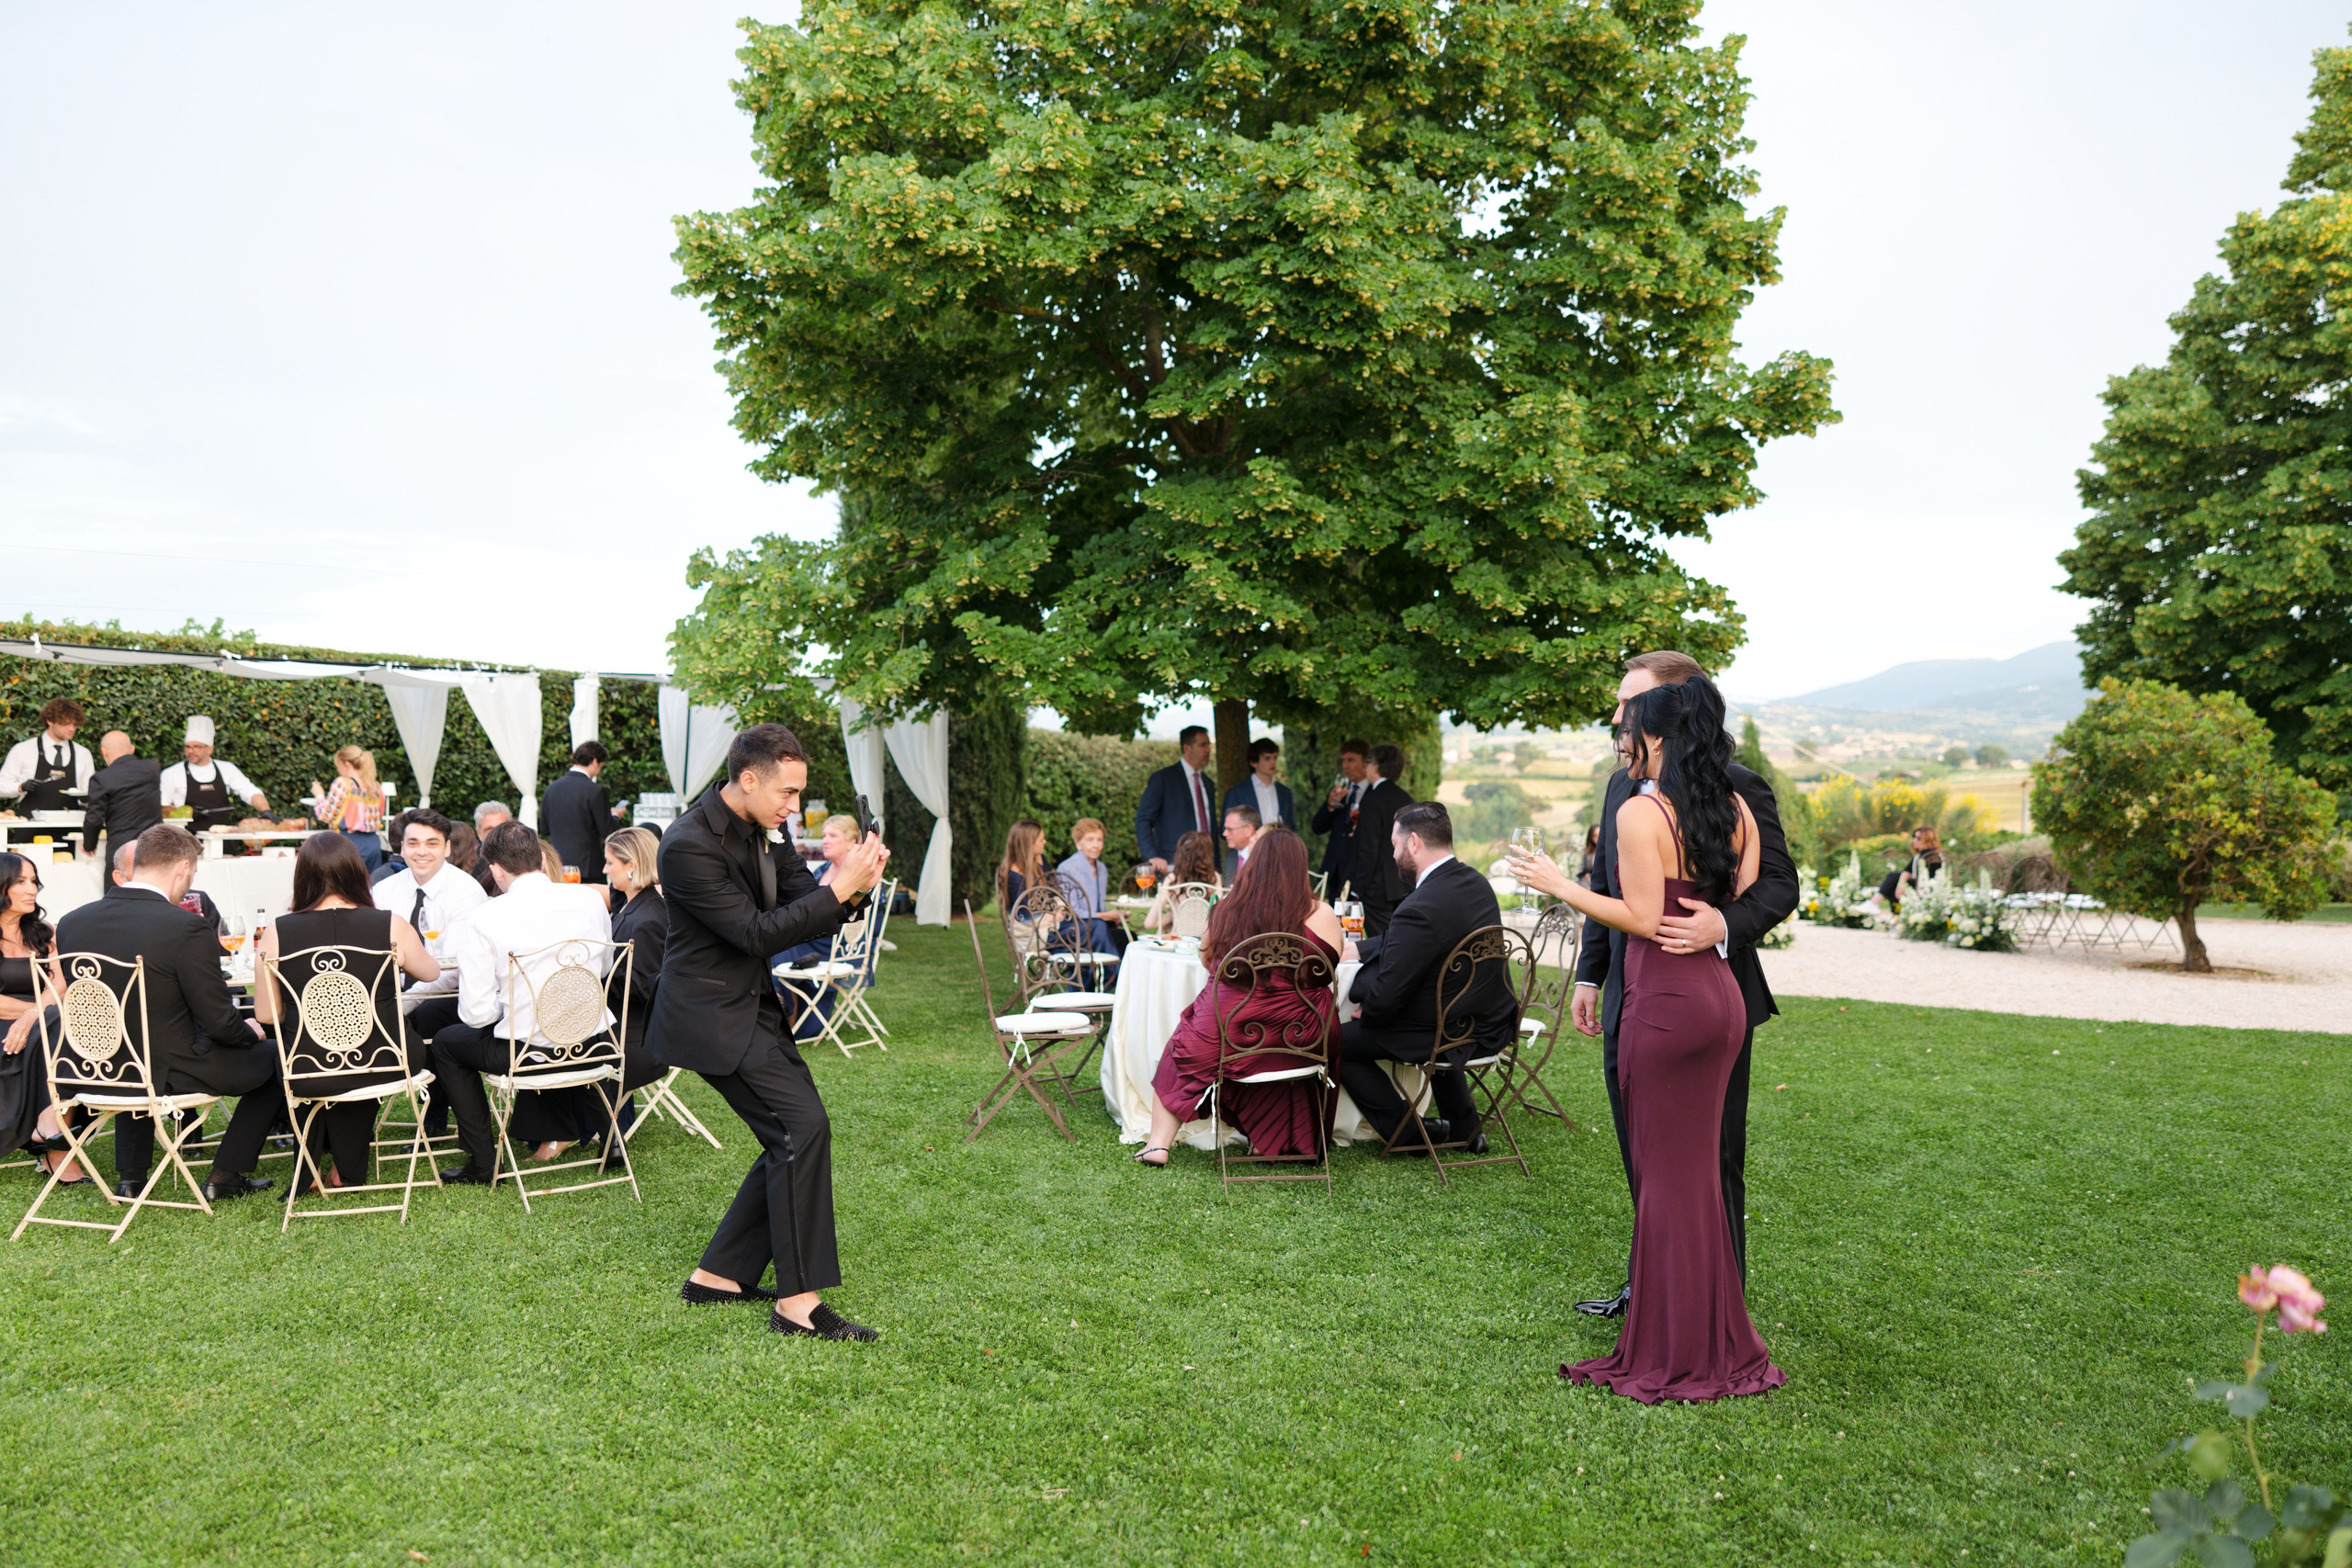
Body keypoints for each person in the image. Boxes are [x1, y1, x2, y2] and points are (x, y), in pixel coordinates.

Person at [1510, 674, 1785, 1403]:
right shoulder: (1733, 810)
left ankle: (1674, 1349)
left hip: (1665, 1001)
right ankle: (1721, 1337)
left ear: (1655, 733)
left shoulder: (1642, 812)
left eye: (1627, 722)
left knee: (1664, 1179)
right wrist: (1709, 917)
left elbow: (1639, 913)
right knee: (1697, 1177)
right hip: (1721, 1002)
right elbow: (1740, 888)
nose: (1620, 733)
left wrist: (1556, 883)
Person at [1560, 651, 1797, 1322]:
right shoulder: (1620, 786)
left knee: (1714, 1154)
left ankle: (1720, 1305)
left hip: (1707, 995)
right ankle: (1656, 1288)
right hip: (1629, 999)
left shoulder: (1738, 785)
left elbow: (1779, 883)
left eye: (1627, 704)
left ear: (1670, 708)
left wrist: (1721, 922)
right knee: (1646, 1146)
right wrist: (1589, 972)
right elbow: (1610, 886)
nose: (1615, 716)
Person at [649, 723, 889, 1339]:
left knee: (792, 1133)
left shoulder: (768, 829)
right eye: (787, 792)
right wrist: (840, 889)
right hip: (707, 1015)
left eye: (799, 794)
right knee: (799, 1128)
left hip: (753, 1005)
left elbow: (808, 902)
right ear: (748, 778)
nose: (794, 807)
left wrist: (857, 888)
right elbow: (756, 932)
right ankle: (797, 1302)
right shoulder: (684, 845)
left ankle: (719, 1276)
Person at [53, 824, 279, 1201]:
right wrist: (251, 1033)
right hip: (165, 1073)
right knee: (275, 1056)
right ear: (183, 869)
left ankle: (131, 1178)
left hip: (94, 1068)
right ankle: (225, 1174)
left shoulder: (73, 921)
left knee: (138, 1043)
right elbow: (220, 1023)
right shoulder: (186, 926)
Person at [1134, 827, 1343, 1168]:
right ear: (1299, 867)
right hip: (1303, 1032)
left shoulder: (1227, 910)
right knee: (1283, 1054)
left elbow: (1206, 960)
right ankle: (1274, 1141)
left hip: (1234, 1027)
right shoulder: (1322, 913)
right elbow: (1330, 965)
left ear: (1254, 864)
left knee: (1182, 1049)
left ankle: (1158, 1145)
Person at [424, 821, 614, 1182]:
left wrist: (510, 1005)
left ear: (495, 869)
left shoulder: (486, 916)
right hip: (593, 1043)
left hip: (531, 1053)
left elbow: (476, 1015)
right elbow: (602, 967)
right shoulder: (589, 898)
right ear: (541, 859)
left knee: (448, 1043)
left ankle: (482, 1161)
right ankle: (610, 1139)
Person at [253, 833, 438, 1192]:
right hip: (387, 1059)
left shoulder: (277, 932)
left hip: (307, 1066)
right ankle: (346, 1170)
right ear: (358, 872)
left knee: (307, 1048)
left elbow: (266, 1014)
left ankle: (311, 1170)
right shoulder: (390, 924)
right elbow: (430, 973)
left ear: (302, 876)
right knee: (369, 1043)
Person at [1336, 802, 1514, 1154]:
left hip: (1442, 1030)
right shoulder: (1474, 883)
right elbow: (1414, 938)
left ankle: (1408, 1133)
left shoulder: (1419, 906)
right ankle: (1465, 1127)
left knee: (1337, 1041)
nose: (1393, 853)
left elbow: (1389, 994)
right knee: (1430, 1009)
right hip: (1482, 1021)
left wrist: (1367, 1010)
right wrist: (1359, 950)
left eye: (1394, 845)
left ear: (1413, 843)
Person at [0, 851, 88, 1187]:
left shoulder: (43, 931)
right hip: (8, 1028)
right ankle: (54, 1144)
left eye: (33, 881)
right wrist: (33, 1014)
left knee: (59, 1026)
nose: (31, 889)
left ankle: (50, 1128)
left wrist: (34, 1016)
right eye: (20, 881)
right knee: (61, 1027)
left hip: (45, 1022)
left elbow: (61, 982)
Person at [371, 807, 489, 1048]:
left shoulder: (466, 892)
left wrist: (403, 1004)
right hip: (394, 991)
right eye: (413, 843)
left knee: (429, 1012)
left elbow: (452, 970)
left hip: (449, 995)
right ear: (402, 848)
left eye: (432, 844)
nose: (421, 852)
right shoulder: (383, 891)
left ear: (447, 848)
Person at [1344, 742, 1412, 937]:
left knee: (1381, 945)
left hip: (1376, 888)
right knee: (1399, 940)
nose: (1365, 767)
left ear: (1376, 766)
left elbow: (1368, 849)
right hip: (1402, 884)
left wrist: (1357, 889)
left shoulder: (1372, 799)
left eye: (1367, 762)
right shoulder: (1406, 798)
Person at [158, 716, 268, 835]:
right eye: (188, 747)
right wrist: (188, 813)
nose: (191, 751)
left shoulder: (227, 769)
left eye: (197, 747)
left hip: (221, 840)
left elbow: (250, 792)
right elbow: (162, 808)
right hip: (186, 842)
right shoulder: (171, 773)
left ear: (209, 749)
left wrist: (266, 811)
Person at [1133, 725, 1218, 876]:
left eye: (1208, 745)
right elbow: (1143, 820)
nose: (1208, 750)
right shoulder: (1163, 779)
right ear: (1187, 748)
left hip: (1207, 865)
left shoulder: (1208, 783)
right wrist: (1152, 856)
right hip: (1173, 864)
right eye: (1202, 745)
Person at [80, 730, 164, 870]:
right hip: (153, 847)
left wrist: (89, 845)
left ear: (104, 751)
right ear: (132, 749)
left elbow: (95, 818)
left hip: (121, 851)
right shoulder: (153, 769)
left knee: (120, 890)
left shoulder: (102, 778)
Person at [1, 697, 96, 814]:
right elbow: (2, 787)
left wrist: (86, 799)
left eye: (75, 724)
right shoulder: (23, 750)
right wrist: (21, 787)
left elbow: (90, 793)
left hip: (69, 826)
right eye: (66, 723)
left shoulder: (83, 754)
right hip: (30, 825)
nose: (72, 729)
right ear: (50, 721)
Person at [542, 742, 618, 885]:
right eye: (601, 765)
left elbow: (544, 828)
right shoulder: (595, 791)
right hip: (589, 869)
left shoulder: (551, 789)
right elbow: (607, 830)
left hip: (557, 867)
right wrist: (614, 816)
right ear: (595, 761)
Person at [1307, 737, 1373, 893]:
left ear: (1365, 762)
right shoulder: (1340, 790)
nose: (1345, 766)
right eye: (1343, 761)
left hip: (1359, 872)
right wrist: (1329, 804)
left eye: (1351, 760)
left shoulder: (1374, 793)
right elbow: (1317, 827)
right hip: (1334, 870)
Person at [1053, 818, 1126, 955]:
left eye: (1099, 840)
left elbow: (1097, 908)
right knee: (1100, 927)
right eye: (1090, 840)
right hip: (1072, 928)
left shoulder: (1102, 868)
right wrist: (1104, 916)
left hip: (1095, 926)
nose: (1096, 845)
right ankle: (1112, 975)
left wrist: (1115, 916)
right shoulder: (1066, 868)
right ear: (1078, 843)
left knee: (1127, 937)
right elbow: (1072, 912)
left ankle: (1121, 976)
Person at [1221, 737, 1295, 873]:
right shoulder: (1237, 792)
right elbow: (1225, 829)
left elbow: (1291, 826)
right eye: (1267, 758)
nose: (1273, 762)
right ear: (1254, 762)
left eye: (1275, 758)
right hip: (1250, 858)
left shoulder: (1285, 792)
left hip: (1280, 856)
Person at [311, 746, 389, 871]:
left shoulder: (343, 783)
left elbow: (326, 815)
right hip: (373, 843)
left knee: (347, 886)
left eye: (339, 766)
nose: (338, 770)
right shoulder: (376, 787)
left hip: (348, 843)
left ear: (346, 764)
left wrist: (319, 796)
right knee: (372, 886)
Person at [1143, 830, 1221, 934]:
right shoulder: (1214, 877)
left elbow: (1149, 924)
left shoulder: (1173, 879)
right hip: (1205, 943)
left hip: (1177, 942)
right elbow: (1218, 917)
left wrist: (1176, 916)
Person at [1876, 825, 1944, 908]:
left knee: (1893, 877)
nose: (1914, 840)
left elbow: (1930, 879)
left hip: (1927, 891)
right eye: (1914, 837)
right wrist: (1900, 886)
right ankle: (1887, 910)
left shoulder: (1932, 856)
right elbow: (1907, 871)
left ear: (1928, 840)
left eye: (1918, 838)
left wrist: (1903, 887)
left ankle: (1874, 903)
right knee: (1894, 881)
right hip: (1917, 886)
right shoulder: (1920, 855)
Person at [1222, 805, 1261, 870]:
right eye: (1225, 829)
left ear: (1248, 830)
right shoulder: (1231, 858)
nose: (1224, 834)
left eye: (1230, 829)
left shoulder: (1262, 857)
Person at [1577, 823, 1604, 889]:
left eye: (1600, 834)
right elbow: (1583, 870)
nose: (1598, 838)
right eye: (1595, 835)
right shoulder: (1588, 855)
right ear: (1591, 838)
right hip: (1590, 884)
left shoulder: (1609, 851)